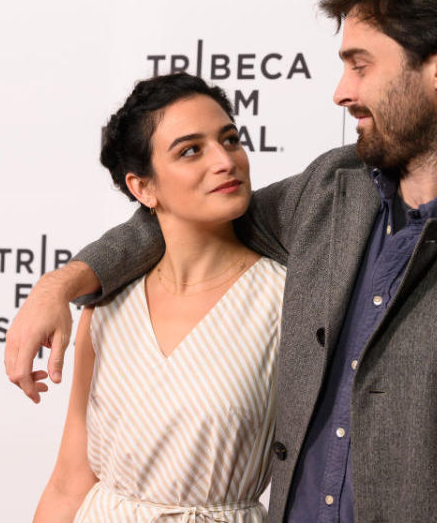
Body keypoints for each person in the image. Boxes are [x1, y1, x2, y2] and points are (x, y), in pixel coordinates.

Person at [10, 0, 437, 522]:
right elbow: (183, 216)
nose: (342, 92)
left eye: (360, 65)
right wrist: (63, 284)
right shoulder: (330, 192)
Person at [32, 73, 286, 522]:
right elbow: (69, 481)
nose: (225, 161)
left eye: (229, 140)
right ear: (142, 187)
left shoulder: (286, 299)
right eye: (191, 150)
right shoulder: (106, 307)